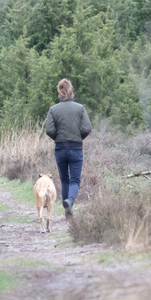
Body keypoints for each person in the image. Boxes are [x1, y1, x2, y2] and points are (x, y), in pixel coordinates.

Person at [44, 78, 92, 218]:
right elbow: (87, 128)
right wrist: (78, 138)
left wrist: (58, 139)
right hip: (76, 148)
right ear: (71, 91)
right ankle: (70, 201)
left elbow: (49, 130)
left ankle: (67, 211)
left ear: (59, 92)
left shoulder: (53, 110)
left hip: (60, 148)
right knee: (75, 180)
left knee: (64, 179)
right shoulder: (80, 108)